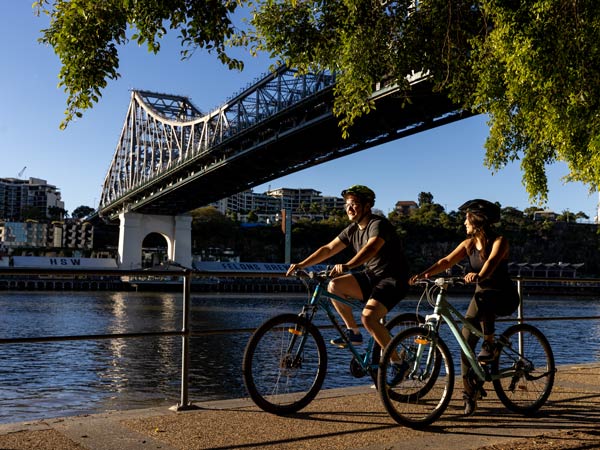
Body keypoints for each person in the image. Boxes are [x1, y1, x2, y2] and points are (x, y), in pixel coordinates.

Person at [409, 198, 520, 416]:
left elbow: (491, 263)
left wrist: (478, 275)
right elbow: (446, 261)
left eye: (466, 218)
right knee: (465, 341)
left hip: (503, 295)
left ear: (477, 220)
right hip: (481, 297)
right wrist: (424, 275)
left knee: (484, 298)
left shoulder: (500, 241)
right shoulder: (468, 244)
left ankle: (489, 343)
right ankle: (470, 394)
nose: (463, 223)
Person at [286, 185, 410, 376]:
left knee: (368, 318)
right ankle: (353, 332)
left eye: (354, 204)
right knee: (335, 285)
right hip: (371, 276)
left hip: (393, 279)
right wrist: (302, 264)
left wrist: (348, 265)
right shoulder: (352, 229)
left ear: (367, 206)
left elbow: (371, 248)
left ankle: (398, 361)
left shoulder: (378, 224)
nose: (349, 208)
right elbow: (328, 249)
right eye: (347, 205)